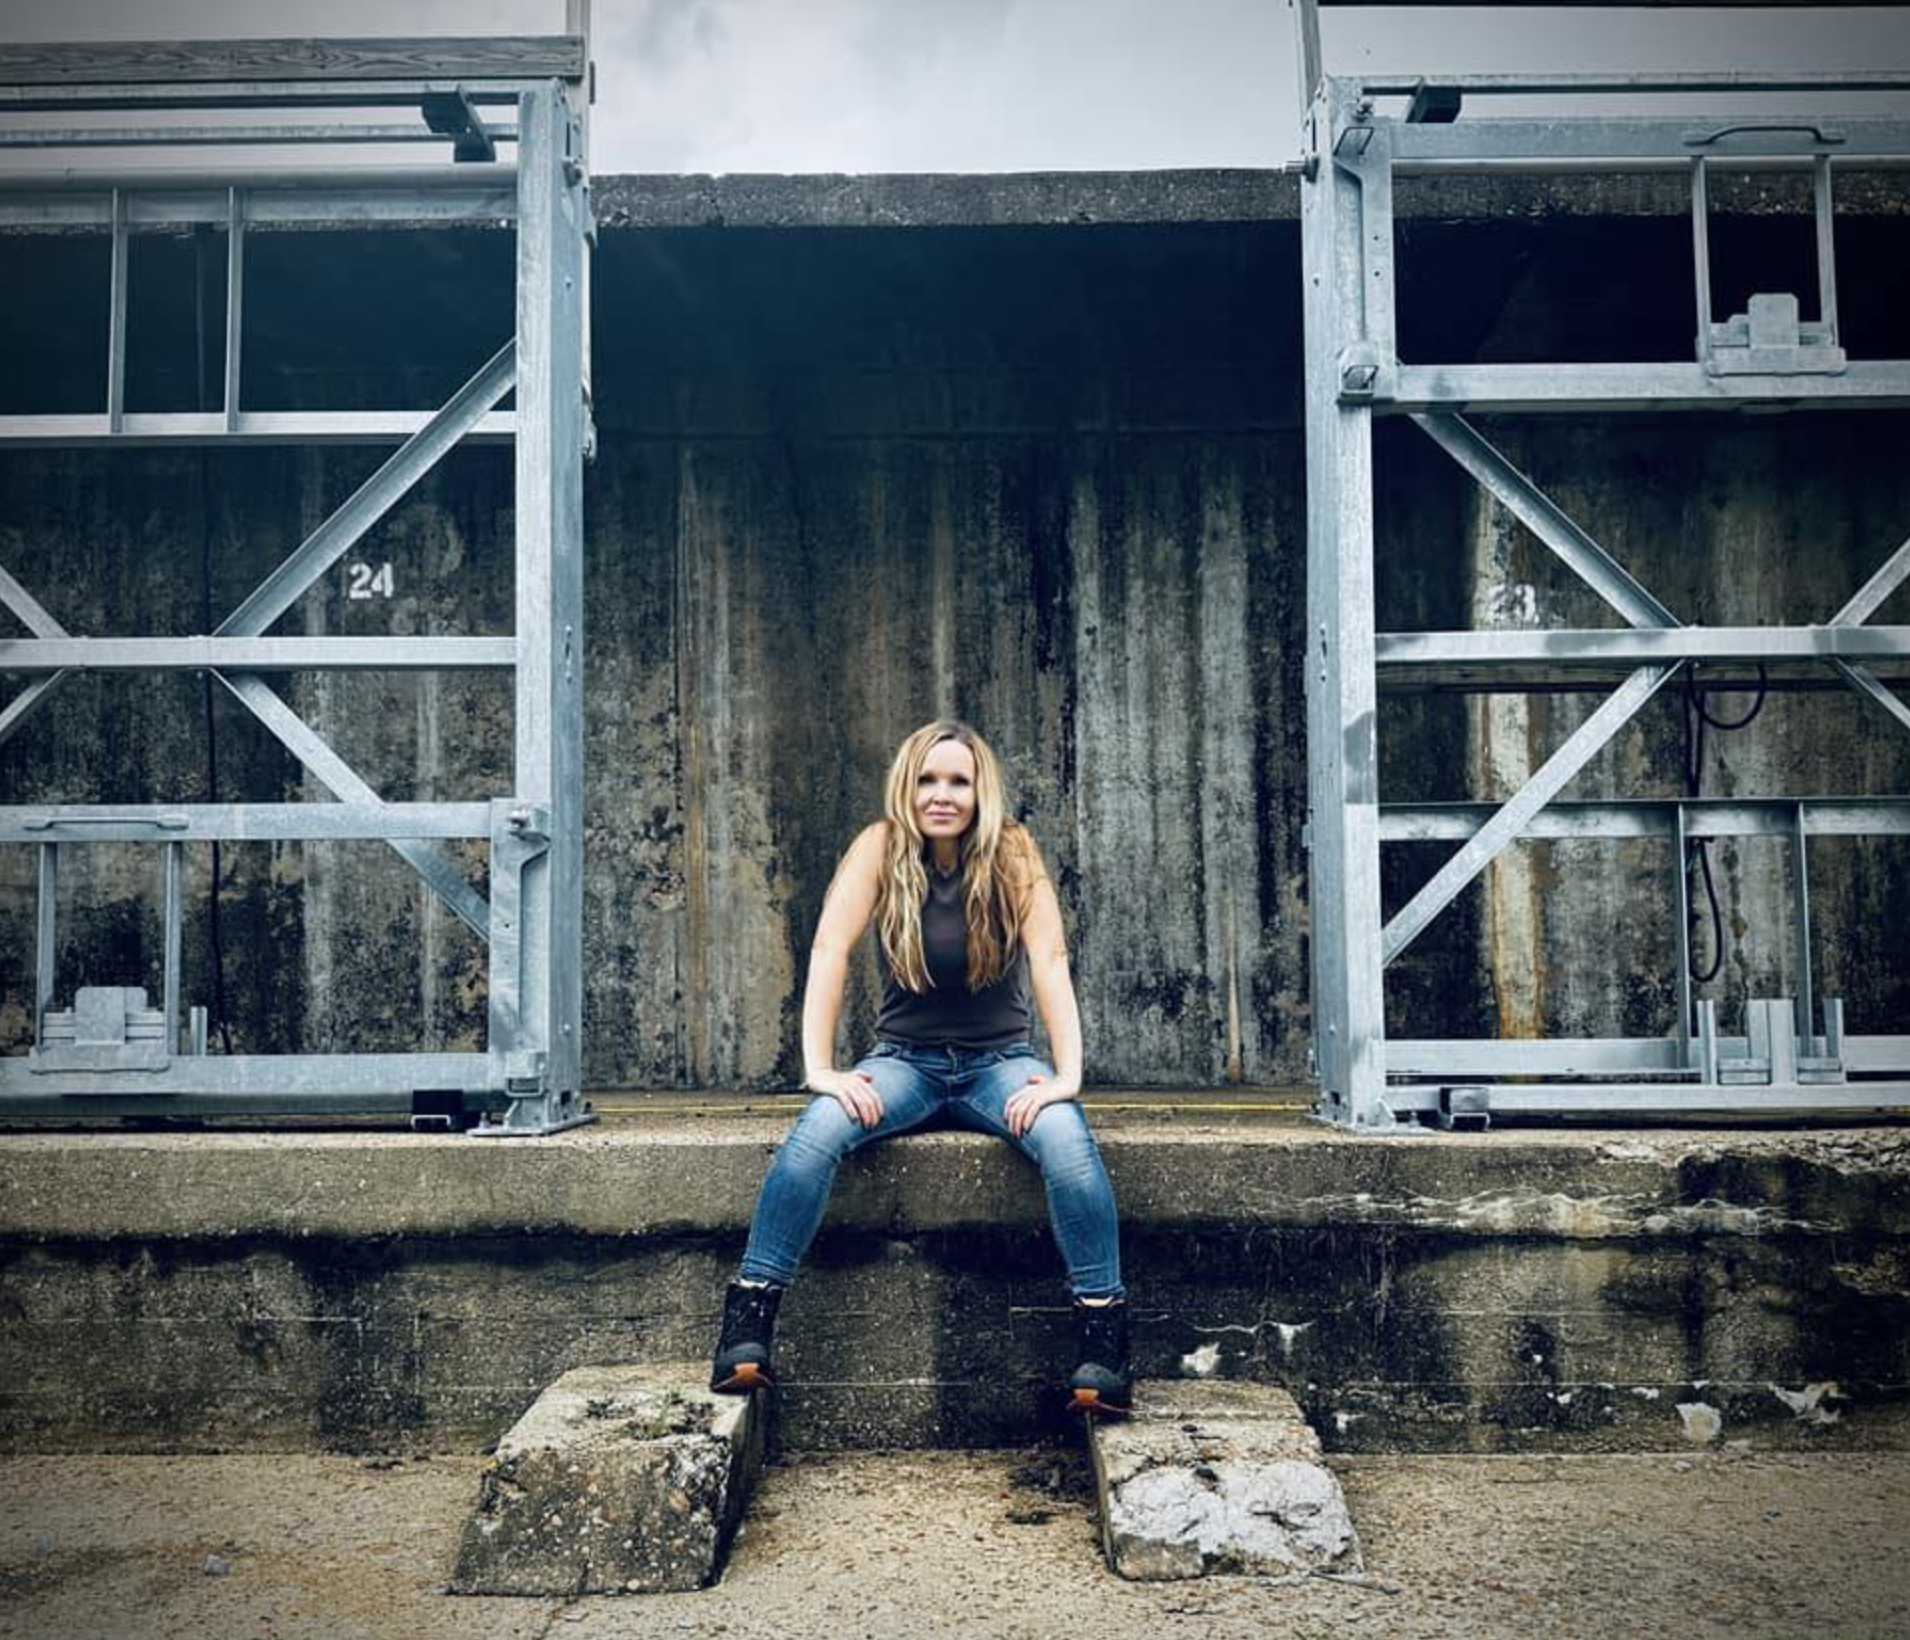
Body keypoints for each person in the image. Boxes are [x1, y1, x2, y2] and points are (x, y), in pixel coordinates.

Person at [709, 718, 1130, 1416]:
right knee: (817, 1131)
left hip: (1000, 1066)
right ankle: (747, 1326)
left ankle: (1104, 1345)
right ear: (906, 787)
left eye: (959, 781)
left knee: (1067, 1142)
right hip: (906, 1065)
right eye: (928, 780)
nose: (942, 795)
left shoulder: (1012, 851)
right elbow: (829, 950)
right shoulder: (880, 847)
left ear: (980, 791)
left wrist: (1066, 1078)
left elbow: (1051, 959)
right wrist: (821, 1069)